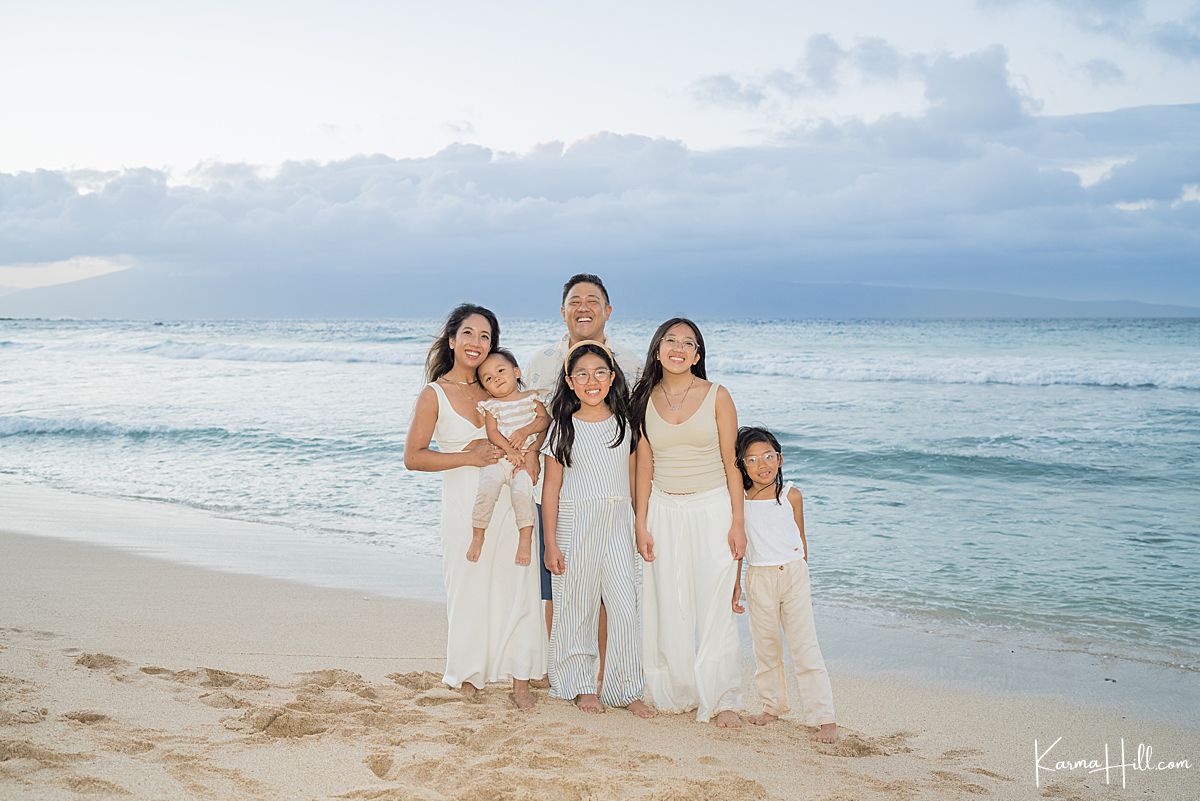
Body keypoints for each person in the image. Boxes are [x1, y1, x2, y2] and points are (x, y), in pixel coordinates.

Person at [403, 304, 545, 709]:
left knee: (518, 584)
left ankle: (520, 677)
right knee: (468, 589)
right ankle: (468, 674)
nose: (476, 343)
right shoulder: (434, 394)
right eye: (469, 333)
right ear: (452, 339)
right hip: (464, 503)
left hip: (510, 502)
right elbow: (413, 457)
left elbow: (535, 423)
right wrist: (467, 456)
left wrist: (532, 452)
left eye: (485, 337)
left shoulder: (495, 387)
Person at [631, 318, 746, 727]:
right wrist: (641, 522)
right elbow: (644, 464)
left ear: (697, 355)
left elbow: (733, 462)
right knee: (667, 604)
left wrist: (738, 521)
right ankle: (675, 691)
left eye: (688, 343)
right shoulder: (643, 397)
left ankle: (722, 698)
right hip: (662, 508)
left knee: (715, 606)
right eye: (671, 341)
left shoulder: (717, 396)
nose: (678, 348)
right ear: (658, 349)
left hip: (712, 506)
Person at [524, 274, 642, 675]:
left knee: (612, 593)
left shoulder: (630, 363)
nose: (584, 307)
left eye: (593, 300)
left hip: (611, 498)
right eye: (575, 301)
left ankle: (608, 672)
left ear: (608, 311)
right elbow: (526, 416)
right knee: (560, 589)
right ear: (562, 311)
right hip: (559, 494)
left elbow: (637, 434)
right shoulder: (541, 361)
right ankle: (561, 669)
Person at [541, 340, 654, 718]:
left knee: (624, 604)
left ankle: (624, 687)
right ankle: (579, 684)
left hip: (619, 521)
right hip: (576, 523)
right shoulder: (563, 427)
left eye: (600, 372)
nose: (592, 380)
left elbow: (638, 478)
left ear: (612, 377)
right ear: (570, 382)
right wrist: (550, 543)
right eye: (583, 374)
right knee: (576, 604)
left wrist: (640, 525)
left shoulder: (626, 424)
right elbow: (551, 488)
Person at [731, 426, 838, 743]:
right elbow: (738, 546)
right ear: (741, 466)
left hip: (792, 574)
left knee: (805, 646)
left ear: (780, 458)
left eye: (767, 456)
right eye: (751, 460)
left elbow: (801, 540)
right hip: (758, 576)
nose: (762, 465)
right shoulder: (741, 501)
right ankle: (772, 705)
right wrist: (736, 584)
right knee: (765, 647)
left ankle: (824, 717)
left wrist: (801, 571)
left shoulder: (790, 494)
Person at [470, 349, 549, 566]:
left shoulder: (531, 398)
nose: (496, 378)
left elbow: (545, 420)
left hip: (524, 461)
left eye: (500, 370)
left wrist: (524, 432)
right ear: (485, 387)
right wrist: (509, 450)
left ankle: (525, 538)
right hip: (502, 458)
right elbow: (492, 432)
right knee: (487, 487)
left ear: (516, 372)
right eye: (488, 378)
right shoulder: (491, 406)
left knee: (521, 492)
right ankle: (478, 534)